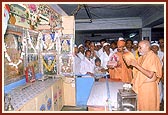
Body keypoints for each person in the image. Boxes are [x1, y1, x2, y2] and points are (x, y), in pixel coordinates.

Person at [123, 40, 162, 111]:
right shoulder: (142, 57)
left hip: (149, 88)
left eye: (140, 47)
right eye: (138, 47)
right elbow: (137, 72)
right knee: (141, 108)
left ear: (147, 47)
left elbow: (150, 75)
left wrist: (136, 65)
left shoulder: (152, 57)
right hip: (141, 87)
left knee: (149, 108)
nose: (138, 49)